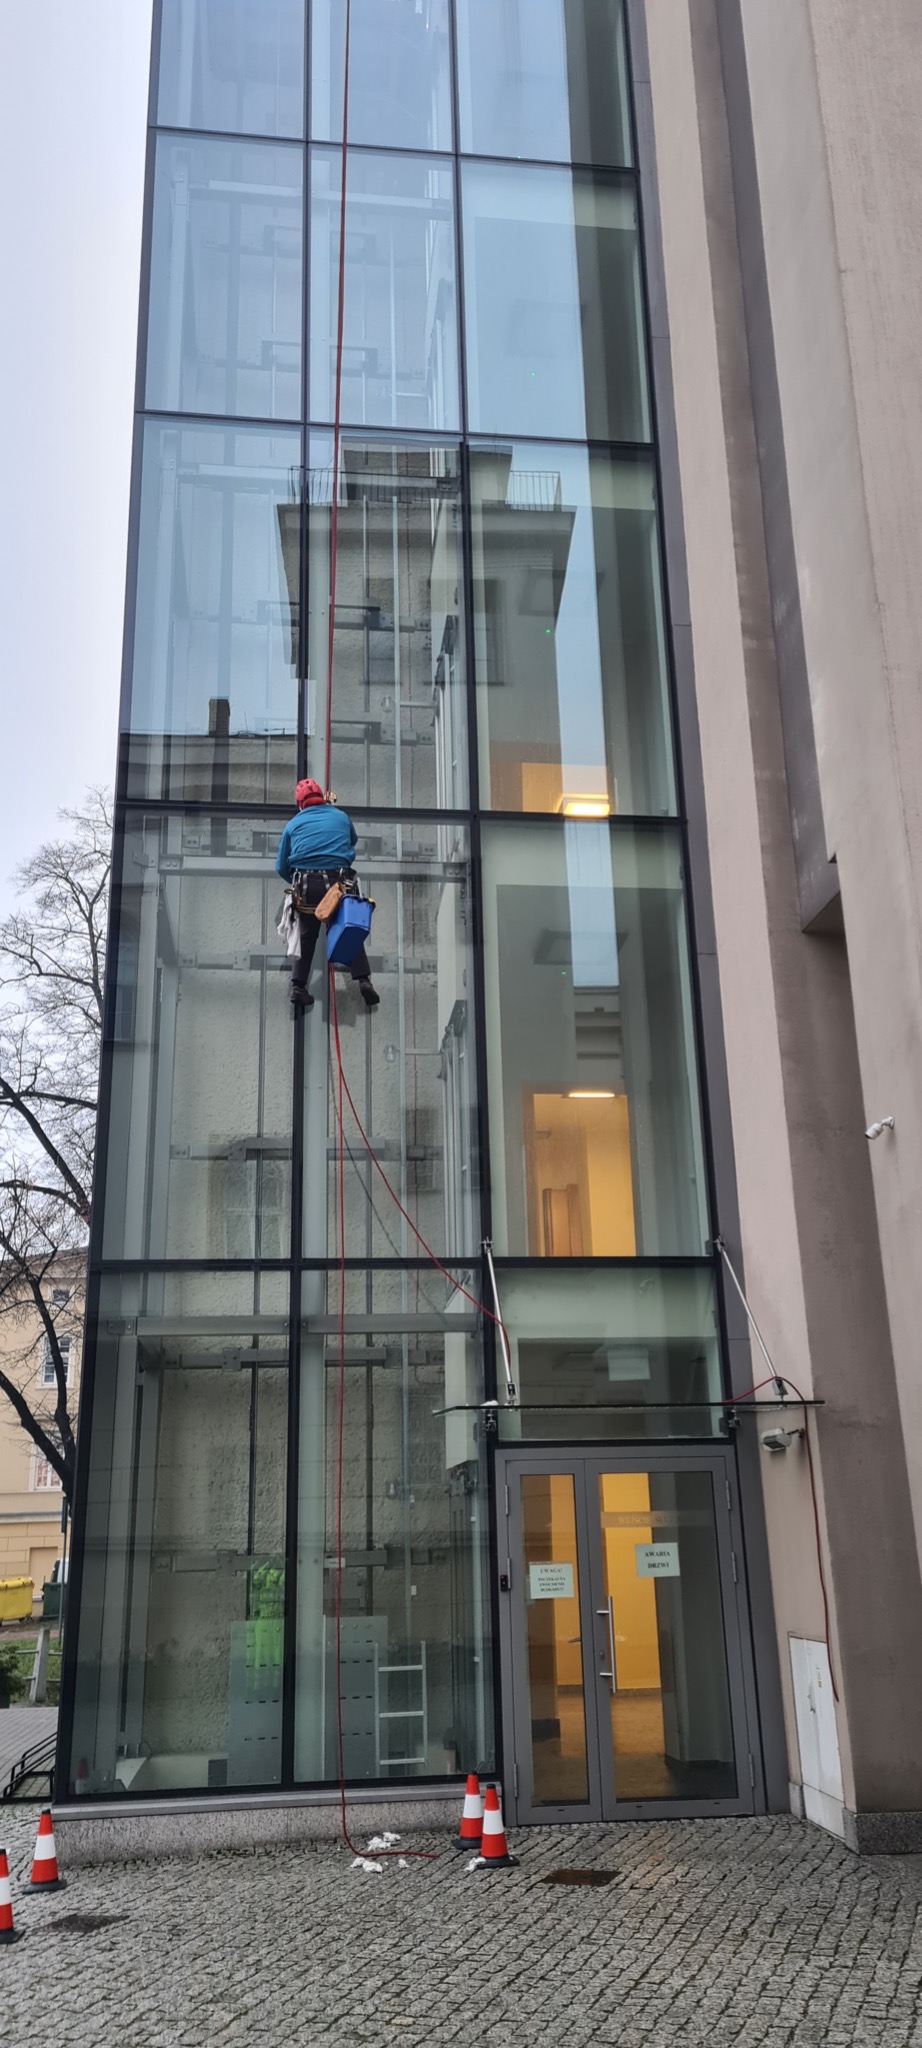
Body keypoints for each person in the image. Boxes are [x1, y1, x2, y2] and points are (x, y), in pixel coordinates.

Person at [276, 778, 380, 1012]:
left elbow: (281, 867)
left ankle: (298, 986)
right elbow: (352, 840)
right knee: (348, 926)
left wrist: (297, 878)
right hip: (338, 885)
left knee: (306, 934)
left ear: (300, 804)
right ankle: (364, 979)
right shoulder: (341, 817)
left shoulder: (293, 825)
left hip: (306, 887)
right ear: (321, 797)